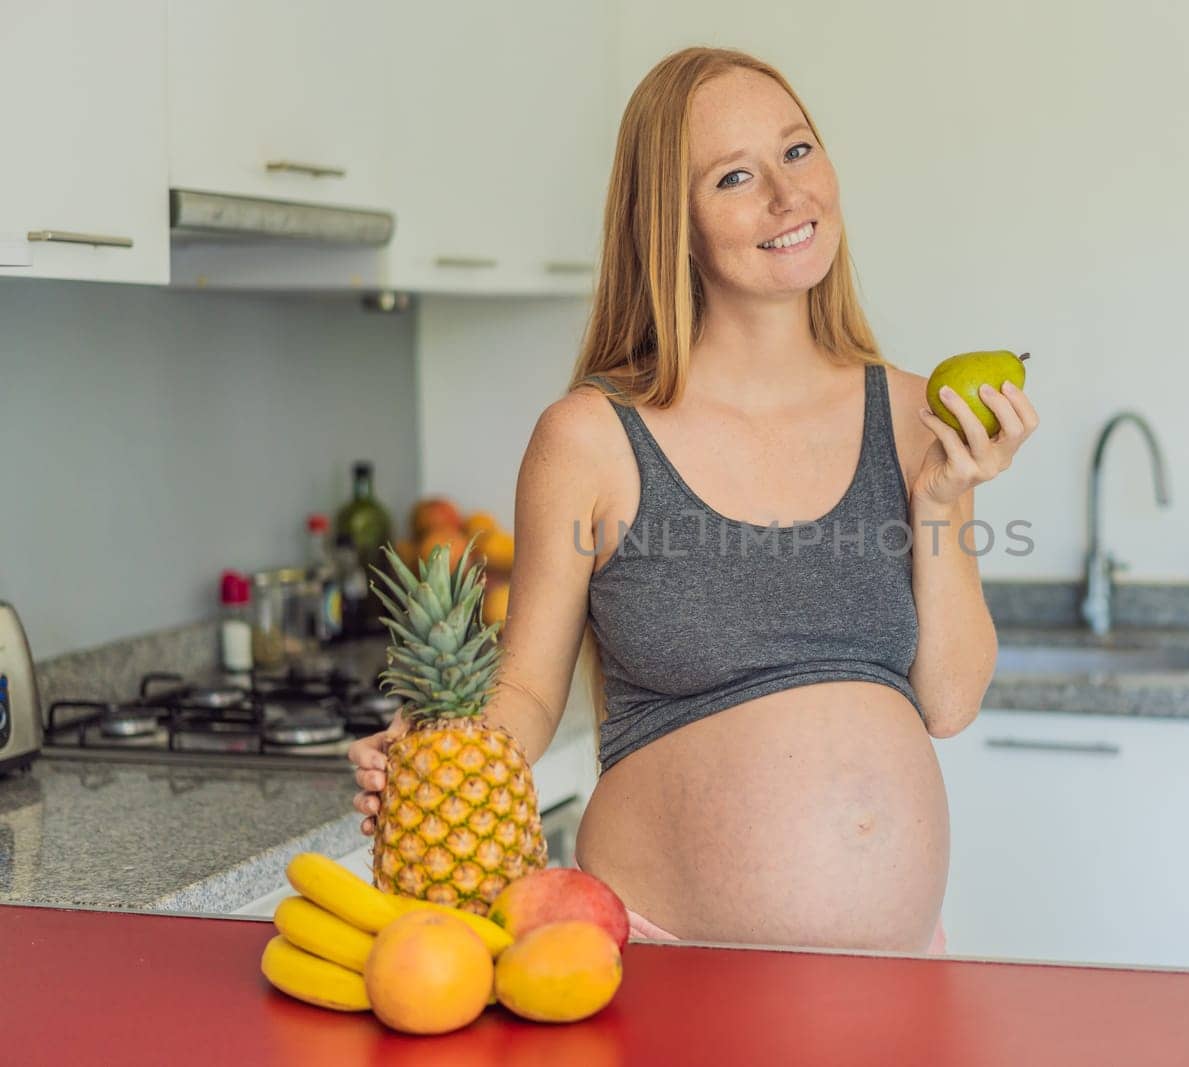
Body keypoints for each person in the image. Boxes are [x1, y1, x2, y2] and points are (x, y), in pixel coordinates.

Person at [349, 46, 1038, 953]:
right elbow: (525, 688)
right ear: (673, 227)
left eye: (797, 152)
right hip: (659, 961)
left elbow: (948, 700)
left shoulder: (916, 416)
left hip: (893, 980)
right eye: (735, 176)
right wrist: (440, 760)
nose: (787, 199)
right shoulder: (592, 438)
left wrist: (947, 496)